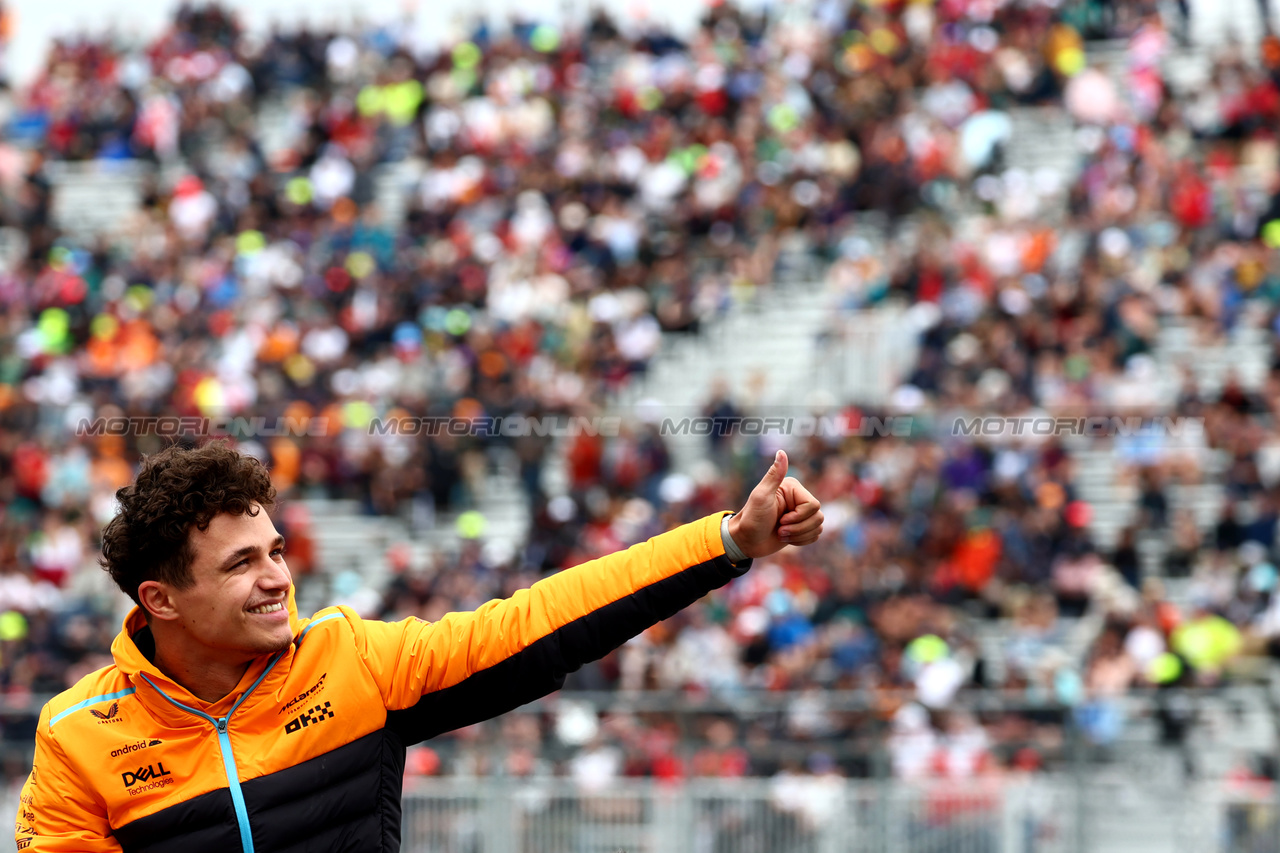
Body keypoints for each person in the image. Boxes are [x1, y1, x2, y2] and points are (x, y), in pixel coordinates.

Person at [15, 440, 822, 852]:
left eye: (276, 551)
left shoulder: (352, 657)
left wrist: (725, 542)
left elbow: (538, 623)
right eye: (240, 563)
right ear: (161, 601)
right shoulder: (78, 734)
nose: (277, 578)